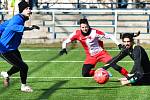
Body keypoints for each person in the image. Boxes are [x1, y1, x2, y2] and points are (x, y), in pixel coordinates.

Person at [59, 18, 129, 78]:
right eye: (82, 27)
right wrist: (64, 48)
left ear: (88, 26)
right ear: (80, 27)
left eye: (86, 27)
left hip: (101, 54)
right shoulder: (76, 34)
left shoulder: (95, 32)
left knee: (115, 66)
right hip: (91, 56)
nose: (85, 29)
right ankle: (103, 73)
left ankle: (128, 76)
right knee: (85, 73)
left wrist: (119, 44)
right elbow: (66, 41)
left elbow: (110, 36)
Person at [0, 0, 40, 92]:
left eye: (30, 8)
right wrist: (29, 28)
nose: (29, 10)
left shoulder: (18, 18)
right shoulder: (17, 19)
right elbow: (12, 27)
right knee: (24, 67)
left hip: (12, 48)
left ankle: (6, 74)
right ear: (22, 10)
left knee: (18, 66)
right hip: (5, 49)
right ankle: (23, 86)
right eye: (27, 8)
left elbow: (3, 26)